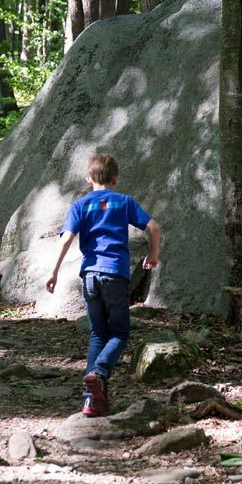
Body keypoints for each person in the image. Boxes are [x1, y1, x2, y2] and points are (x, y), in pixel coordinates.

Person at [46, 153, 161, 417]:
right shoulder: (124, 202)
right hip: (116, 275)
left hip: (89, 277)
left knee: (98, 334)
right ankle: (98, 373)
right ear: (115, 179)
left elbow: (65, 241)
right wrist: (153, 255)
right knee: (119, 333)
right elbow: (154, 227)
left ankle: (91, 401)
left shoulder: (80, 205)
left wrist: (53, 273)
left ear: (89, 179)